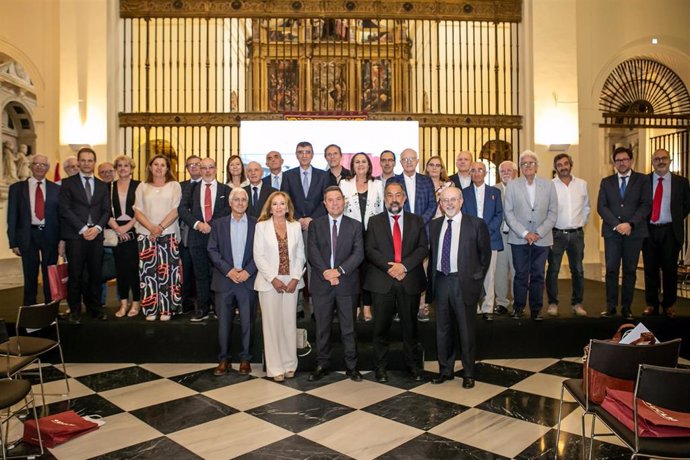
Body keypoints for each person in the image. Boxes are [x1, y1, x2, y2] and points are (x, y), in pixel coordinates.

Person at [364, 181, 428, 383]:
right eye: (390, 195)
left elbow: (422, 248)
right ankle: (380, 368)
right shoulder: (374, 221)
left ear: (404, 198)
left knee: (410, 329)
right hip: (382, 282)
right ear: (384, 199)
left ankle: (413, 366)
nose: (394, 199)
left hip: (409, 280)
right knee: (380, 328)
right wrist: (390, 268)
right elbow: (370, 249)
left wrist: (404, 266)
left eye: (398, 195)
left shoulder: (416, 221)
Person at [429, 187, 491, 389]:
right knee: (443, 330)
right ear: (440, 203)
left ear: (461, 201)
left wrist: (475, 279)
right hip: (441, 282)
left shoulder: (476, 224)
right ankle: (445, 370)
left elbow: (485, 256)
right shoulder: (435, 225)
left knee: (466, 330)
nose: (449, 203)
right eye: (445, 200)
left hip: (463, 283)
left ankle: (468, 373)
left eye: (453, 199)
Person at [308, 186, 365, 382]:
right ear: (324, 203)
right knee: (322, 327)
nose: (334, 203)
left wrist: (338, 271)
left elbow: (358, 254)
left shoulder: (355, 226)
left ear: (344, 201)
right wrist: (326, 272)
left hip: (346, 283)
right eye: (330, 200)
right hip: (322, 283)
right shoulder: (316, 225)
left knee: (348, 328)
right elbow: (312, 251)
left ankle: (352, 366)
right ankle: (322, 364)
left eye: (338, 199)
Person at [253, 191, 306, 382]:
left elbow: (300, 254)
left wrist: (294, 278)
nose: (278, 207)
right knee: (272, 325)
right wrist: (273, 279)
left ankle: (290, 364)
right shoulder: (261, 227)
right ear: (269, 207)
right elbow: (258, 256)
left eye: (282, 204)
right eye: (274, 204)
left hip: (291, 282)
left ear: (287, 207)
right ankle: (275, 368)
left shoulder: (295, 226)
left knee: (288, 324)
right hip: (269, 283)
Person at [207, 188, 257, 376]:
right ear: (230, 202)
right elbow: (212, 250)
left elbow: (260, 252)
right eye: (236, 199)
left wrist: (247, 271)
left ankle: (245, 359)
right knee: (224, 324)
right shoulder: (218, 224)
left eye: (244, 199)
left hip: (247, 280)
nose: (240, 202)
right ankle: (223, 360)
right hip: (224, 280)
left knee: (248, 322)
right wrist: (228, 271)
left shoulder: (256, 224)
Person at [597, 146, 652, 320]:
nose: (622, 163)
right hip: (612, 233)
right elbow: (602, 206)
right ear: (614, 163)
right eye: (618, 160)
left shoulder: (642, 180)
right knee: (612, 269)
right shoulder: (607, 182)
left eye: (625, 159)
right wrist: (617, 225)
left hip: (634, 233)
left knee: (630, 270)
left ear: (631, 161)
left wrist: (630, 224)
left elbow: (645, 205)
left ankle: (627, 308)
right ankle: (611, 306)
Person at [503, 150, 558, 321]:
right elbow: (508, 213)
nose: (528, 166)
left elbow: (553, 213)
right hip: (519, 238)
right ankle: (518, 308)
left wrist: (538, 233)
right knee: (520, 274)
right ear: (520, 167)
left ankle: (536, 309)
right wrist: (525, 233)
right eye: (524, 163)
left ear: (537, 166)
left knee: (538, 274)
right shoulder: (512, 185)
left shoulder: (548, 185)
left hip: (542, 239)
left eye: (531, 163)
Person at [59, 147, 111, 322]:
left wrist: (96, 228)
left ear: (94, 162)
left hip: (96, 235)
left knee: (95, 274)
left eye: (90, 160)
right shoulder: (67, 183)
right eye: (83, 160)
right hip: (76, 235)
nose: (87, 163)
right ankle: (74, 310)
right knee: (75, 274)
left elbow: (106, 211)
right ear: (78, 162)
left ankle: (94, 308)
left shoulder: (103, 185)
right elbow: (64, 209)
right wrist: (82, 228)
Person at [179, 157, 231, 322]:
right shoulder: (191, 189)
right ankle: (202, 308)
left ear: (216, 169)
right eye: (204, 168)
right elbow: (182, 209)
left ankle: (218, 308)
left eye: (211, 167)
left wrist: (210, 225)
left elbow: (227, 210)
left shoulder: (225, 190)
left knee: (217, 273)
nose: (207, 171)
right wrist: (197, 224)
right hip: (197, 236)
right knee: (200, 274)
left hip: (217, 237)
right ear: (200, 170)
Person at [7, 154, 62, 305]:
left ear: (48, 168)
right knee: (30, 273)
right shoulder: (16, 189)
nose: (39, 167)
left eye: (43, 165)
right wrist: (13, 242)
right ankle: (30, 309)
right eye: (36, 164)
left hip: (50, 235)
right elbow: (12, 216)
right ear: (30, 166)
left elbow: (60, 216)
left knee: (49, 274)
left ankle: (50, 308)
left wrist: (61, 240)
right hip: (27, 235)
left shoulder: (56, 189)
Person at [281, 141, 328, 317]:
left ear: (312, 154)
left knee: (314, 266)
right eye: (300, 152)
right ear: (296, 154)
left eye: (307, 152)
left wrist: (311, 219)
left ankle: (317, 308)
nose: (304, 155)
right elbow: (286, 200)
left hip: (316, 228)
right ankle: (298, 307)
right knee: (295, 266)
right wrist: (298, 218)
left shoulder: (323, 175)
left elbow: (326, 200)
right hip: (294, 226)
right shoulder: (288, 175)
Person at [133, 154, 183, 321]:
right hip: (146, 236)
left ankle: (167, 309)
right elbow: (137, 211)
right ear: (150, 167)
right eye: (156, 164)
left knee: (168, 273)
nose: (159, 168)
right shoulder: (142, 186)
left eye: (163, 165)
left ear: (168, 168)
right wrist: (151, 229)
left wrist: (160, 228)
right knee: (148, 274)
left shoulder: (174, 185)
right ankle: (151, 309)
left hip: (168, 235)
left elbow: (176, 210)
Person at [642, 148, 690, 318]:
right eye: (656, 159)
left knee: (670, 269)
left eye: (664, 158)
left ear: (670, 160)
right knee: (650, 269)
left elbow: (686, 206)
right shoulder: (644, 181)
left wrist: (674, 219)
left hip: (670, 231)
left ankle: (669, 305)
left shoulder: (681, 182)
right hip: (649, 231)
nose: (660, 161)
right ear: (652, 162)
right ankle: (652, 304)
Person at [340, 153, 384, 322]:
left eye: (363, 161)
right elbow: (340, 209)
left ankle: (367, 307)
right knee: (352, 271)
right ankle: (355, 307)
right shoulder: (344, 184)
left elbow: (381, 210)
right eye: (357, 162)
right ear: (352, 165)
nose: (360, 164)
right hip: (350, 233)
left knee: (368, 272)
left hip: (372, 234)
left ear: (369, 165)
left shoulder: (378, 184)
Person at [545, 153, 590, 317]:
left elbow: (586, 207)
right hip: (556, 234)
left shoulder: (582, 184)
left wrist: (580, 223)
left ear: (571, 164)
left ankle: (577, 303)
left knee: (577, 270)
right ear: (555, 167)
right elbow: (547, 210)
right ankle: (552, 303)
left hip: (577, 235)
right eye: (559, 165)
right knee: (553, 270)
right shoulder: (550, 185)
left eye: (565, 163)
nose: (563, 167)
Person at [461, 161, 504, 321]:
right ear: (470, 173)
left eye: (480, 170)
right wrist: (474, 233)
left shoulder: (495, 192)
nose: (477, 173)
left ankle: (487, 307)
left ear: (485, 173)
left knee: (489, 275)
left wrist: (484, 232)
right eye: (473, 170)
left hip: (491, 239)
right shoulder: (464, 193)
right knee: (472, 275)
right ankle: (475, 307)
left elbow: (499, 214)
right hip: (470, 240)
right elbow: (463, 215)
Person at [108, 155, 141, 318]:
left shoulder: (139, 186)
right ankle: (123, 303)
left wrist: (127, 229)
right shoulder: (109, 187)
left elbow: (141, 210)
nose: (122, 168)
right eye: (119, 165)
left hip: (134, 230)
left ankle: (136, 302)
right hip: (115, 232)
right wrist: (118, 229)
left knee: (134, 269)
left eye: (126, 166)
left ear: (131, 169)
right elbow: (105, 210)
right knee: (120, 270)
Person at [179, 155, 202, 314]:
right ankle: (186, 303)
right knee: (186, 270)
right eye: (190, 165)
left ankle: (203, 303)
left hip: (204, 233)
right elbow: (179, 209)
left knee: (202, 272)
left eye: (196, 164)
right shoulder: (180, 186)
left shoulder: (208, 185)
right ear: (186, 168)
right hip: (185, 234)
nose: (193, 167)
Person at [390, 148, 437, 227]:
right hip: (400, 228)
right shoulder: (393, 181)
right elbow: (390, 205)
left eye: (412, 159)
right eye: (405, 159)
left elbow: (432, 205)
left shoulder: (427, 180)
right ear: (401, 162)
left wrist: (420, 222)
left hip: (423, 228)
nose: (409, 162)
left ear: (417, 161)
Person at [494, 160, 517, 315]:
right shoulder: (493, 190)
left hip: (518, 235)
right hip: (500, 235)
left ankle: (518, 302)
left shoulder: (522, 188)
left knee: (518, 270)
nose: (506, 173)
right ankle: (501, 302)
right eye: (503, 171)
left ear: (516, 172)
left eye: (509, 170)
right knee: (500, 270)